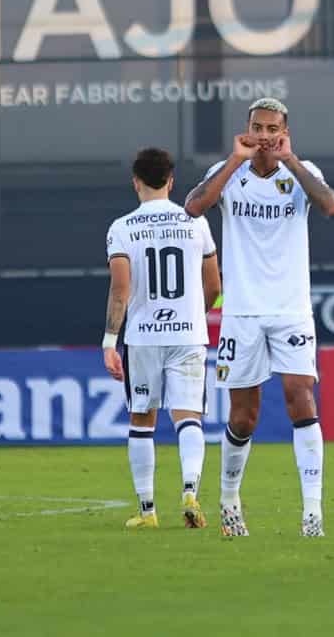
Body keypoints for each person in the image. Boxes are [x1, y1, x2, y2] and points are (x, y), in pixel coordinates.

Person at [185, 97, 334, 538]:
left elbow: (331, 206)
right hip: (242, 312)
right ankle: (230, 497)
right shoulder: (229, 173)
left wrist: (290, 159)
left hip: (291, 309)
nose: (266, 136)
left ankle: (313, 511)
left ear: (285, 130)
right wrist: (235, 161)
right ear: (247, 129)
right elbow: (194, 207)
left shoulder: (299, 172)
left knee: (300, 397)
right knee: (243, 415)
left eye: (273, 128)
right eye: (258, 127)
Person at [103, 148, 221, 530]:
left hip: (142, 336)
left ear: (135, 182)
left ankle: (148, 511)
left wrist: (109, 342)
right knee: (189, 417)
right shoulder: (196, 223)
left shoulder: (121, 228)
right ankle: (190, 489)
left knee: (142, 420)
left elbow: (121, 290)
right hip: (188, 334)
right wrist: (192, 317)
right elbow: (214, 285)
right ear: (171, 181)